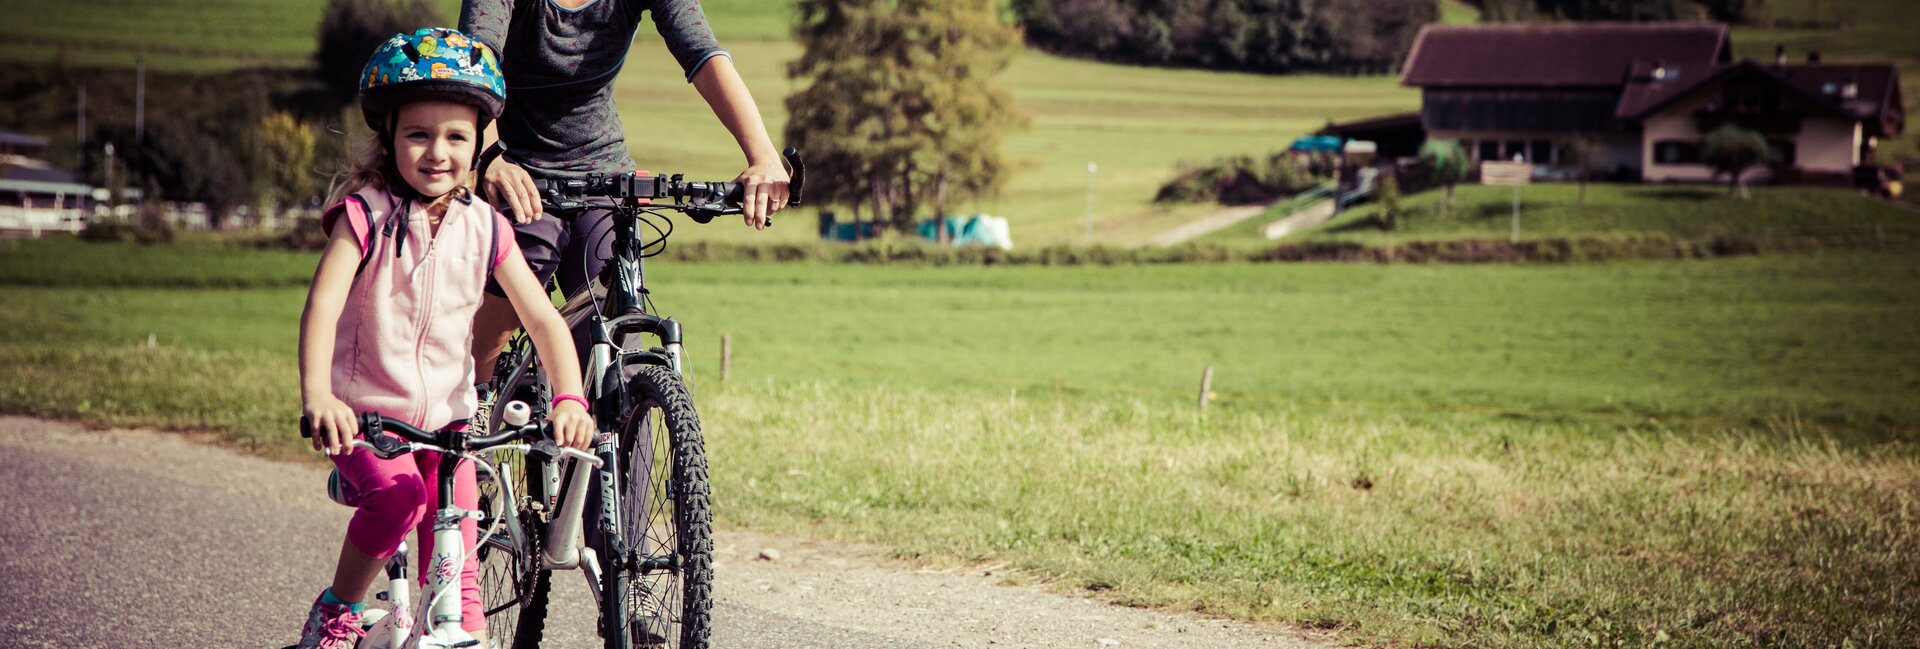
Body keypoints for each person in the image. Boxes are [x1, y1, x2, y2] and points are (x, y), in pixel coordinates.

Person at [291, 27, 595, 649]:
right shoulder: (365, 214)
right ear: (388, 136)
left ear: (481, 141)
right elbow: (322, 305)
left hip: (451, 429)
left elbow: (543, 320)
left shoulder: (486, 227)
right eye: (418, 135)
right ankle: (338, 609)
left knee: (460, 576)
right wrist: (319, 397)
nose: (438, 152)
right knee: (399, 499)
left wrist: (569, 398)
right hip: (367, 418)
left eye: (457, 136)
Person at [459, 0, 792, 370]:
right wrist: (490, 156)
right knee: (502, 315)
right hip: (516, 166)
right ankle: (474, 396)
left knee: (616, 341)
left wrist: (763, 156)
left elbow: (702, 53)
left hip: (603, 170)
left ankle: (621, 403)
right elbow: (474, 61)